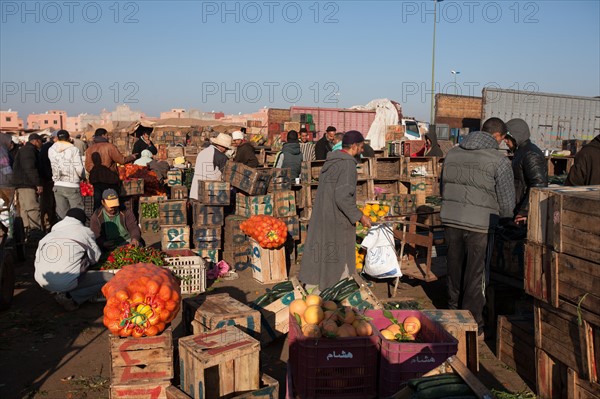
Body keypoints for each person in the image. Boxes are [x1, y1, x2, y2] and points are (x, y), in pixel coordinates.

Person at [440, 117, 515, 339]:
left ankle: (453, 317)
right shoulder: (499, 161)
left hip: (451, 220)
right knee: (476, 275)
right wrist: (507, 218)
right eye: (501, 139)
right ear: (497, 136)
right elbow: (507, 201)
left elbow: (443, 185)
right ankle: (473, 326)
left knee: (454, 270)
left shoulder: (452, 153)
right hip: (480, 225)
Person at [299, 131, 372, 292]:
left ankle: (315, 291)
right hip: (336, 220)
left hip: (324, 216)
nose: (362, 151)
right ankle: (333, 295)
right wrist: (360, 216)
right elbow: (342, 197)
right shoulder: (347, 165)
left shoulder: (332, 161)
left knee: (323, 256)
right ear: (354, 146)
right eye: (361, 147)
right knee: (338, 260)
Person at [34, 208, 109, 311]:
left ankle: (60, 291)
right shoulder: (85, 232)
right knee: (109, 278)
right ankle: (72, 297)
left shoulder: (47, 236)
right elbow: (95, 257)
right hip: (65, 282)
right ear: (81, 221)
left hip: (42, 281)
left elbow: (37, 259)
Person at [505, 119, 548, 224]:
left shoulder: (530, 154)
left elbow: (539, 184)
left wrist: (524, 211)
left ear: (516, 136)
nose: (505, 141)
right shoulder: (521, 152)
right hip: (518, 207)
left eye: (508, 138)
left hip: (523, 213)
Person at [85, 128, 136, 209]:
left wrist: (96, 172)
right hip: (109, 179)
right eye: (107, 135)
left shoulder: (90, 149)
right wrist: (132, 157)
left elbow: (88, 167)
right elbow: (122, 160)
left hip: (96, 180)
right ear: (103, 135)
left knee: (97, 203)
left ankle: (98, 219)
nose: (108, 137)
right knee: (112, 201)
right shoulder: (110, 147)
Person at [48, 130, 85, 219]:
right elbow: (79, 168)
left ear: (57, 138)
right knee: (77, 214)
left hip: (58, 184)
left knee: (62, 215)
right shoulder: (73, 149)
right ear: (68, 138)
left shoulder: (51, 149)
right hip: (72, 185)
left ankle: (64, 231)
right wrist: (83, 176)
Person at [12, 133, 44, 236]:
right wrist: (37, 183)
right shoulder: (29, 151)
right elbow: (30, 168)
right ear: (36, 141)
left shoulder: (25, 150)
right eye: (40, 141)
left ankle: (26, 232)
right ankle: (35, 232)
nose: (41, 144)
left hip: (22, 184)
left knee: (24, 209)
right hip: (27, 184)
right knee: (32, 208)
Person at [189, 133, 231, 201]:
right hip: (210, 194)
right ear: (222, 146)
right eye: (226, 148)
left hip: (195, 192)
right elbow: (227, 175)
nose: (226, 150)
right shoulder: (222, 157)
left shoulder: (203, 152)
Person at [39, 131, 58, 230]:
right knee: (49, 203)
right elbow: (47, 165)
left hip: (44, 180)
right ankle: (50, 222)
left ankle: (46, 223)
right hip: (48, 180)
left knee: (45, 203)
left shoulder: (44, 148)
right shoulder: (51, 148)